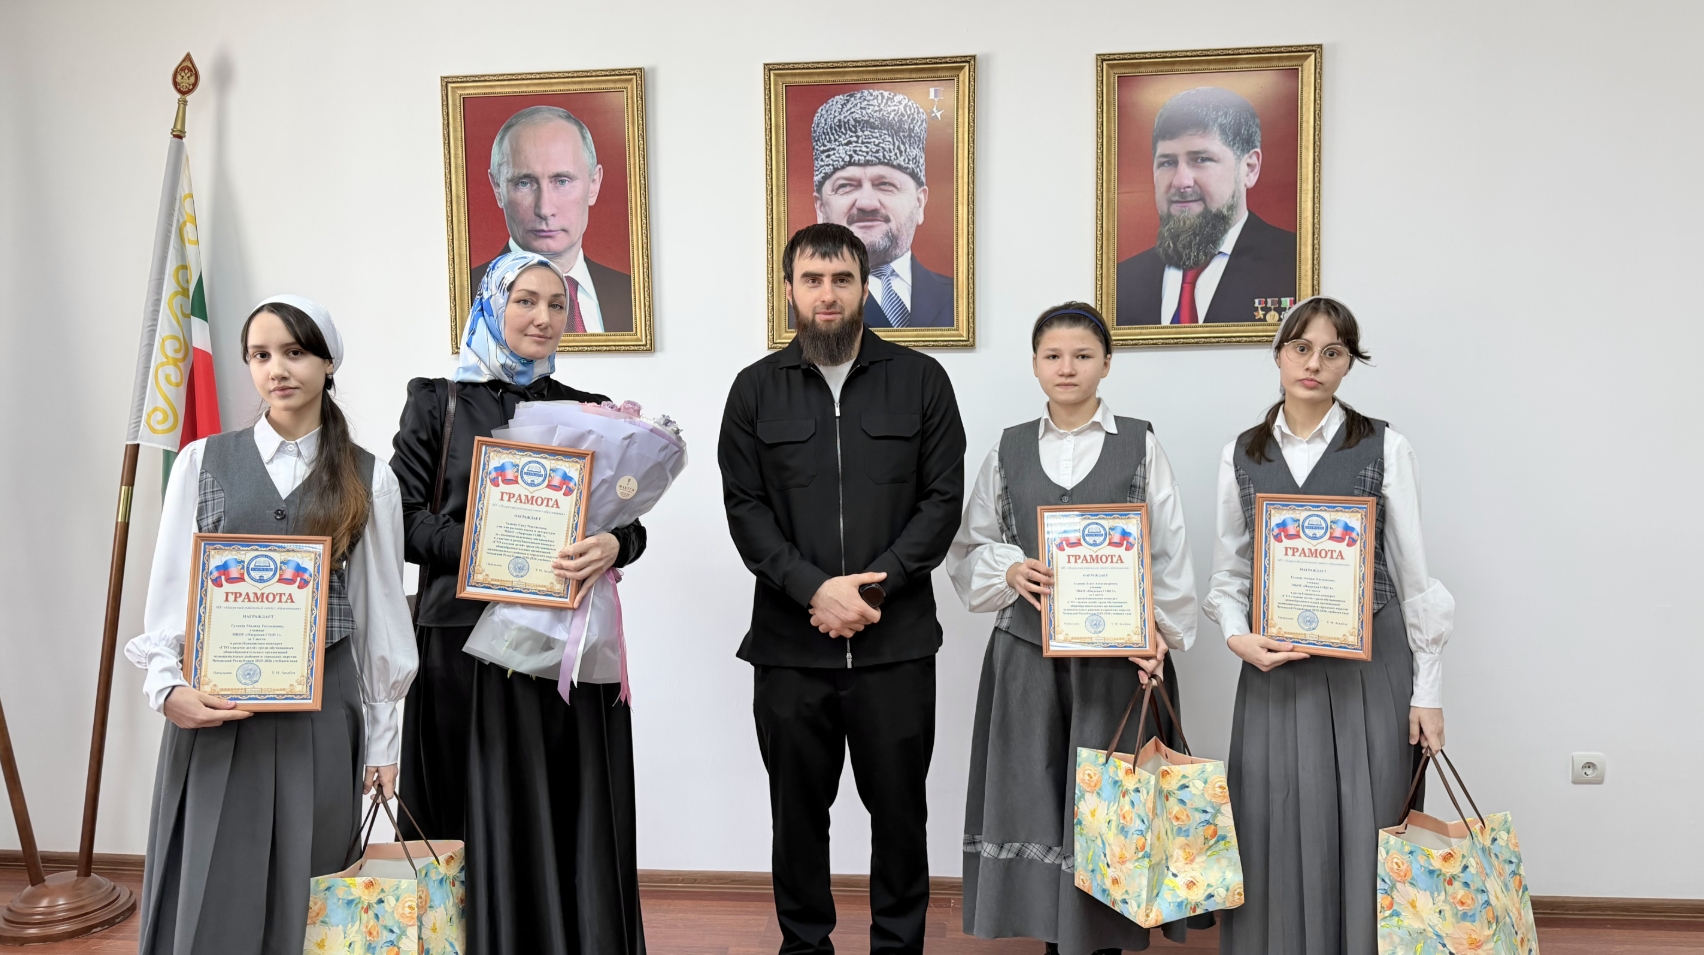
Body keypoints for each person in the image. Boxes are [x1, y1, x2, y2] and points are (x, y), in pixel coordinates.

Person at [125, 295, 417, 955]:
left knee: (312, 888)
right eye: (260, 355)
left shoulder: (370, 478)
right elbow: (172, 586)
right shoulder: (201, 462)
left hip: (324, 714)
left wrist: (382, 742)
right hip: (216, 708)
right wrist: (167, 687)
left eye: (294, 352)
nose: (276, 368)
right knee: (212, 887)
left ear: (327, 362)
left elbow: (380, 614)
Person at [719, 223, 966, 955]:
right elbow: (746, 510)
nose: (827, 294)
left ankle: (899, 946)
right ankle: (805, 947)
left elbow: (941, 502)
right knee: (796, 818)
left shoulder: (922, 380)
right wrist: (813, 591)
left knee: (901, 817)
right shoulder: (754, 389)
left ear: (864, 287)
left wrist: (870, 593)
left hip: (896, 647)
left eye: (842, 279)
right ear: (790, 290)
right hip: (790, 649)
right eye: (812, 280)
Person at [391, 250, 648, 953]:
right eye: (525, 300)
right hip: (462, 648)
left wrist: (615, 544)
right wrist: (494, 549)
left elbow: (627, 523)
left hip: (557, 647)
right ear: (491, 303)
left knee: (560, 810)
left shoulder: (587, 411)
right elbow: (403, 522)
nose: (543, 317)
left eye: (557, 304)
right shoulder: (436, 401)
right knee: (470, 813)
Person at [948, 302, 1206, 955]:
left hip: (1118, 662)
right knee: (1033, 795)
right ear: (1036, 364)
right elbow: (971, 547)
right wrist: (1011, 569)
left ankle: (1105, 938)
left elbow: (1170, 548)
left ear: (1107, 364)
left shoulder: (1140, 443)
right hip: (1026, 658)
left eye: (1083, 355)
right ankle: (1051, 937)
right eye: (1054, 355)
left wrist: (1159, 636)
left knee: (1113, 804)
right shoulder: (1008, 447)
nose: (1068, 367)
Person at [1205, 297, 1452, 955]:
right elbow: (1228, 573)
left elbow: (1416, 579)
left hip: (1371, 668)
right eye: (1301, 348)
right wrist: (1236, 635)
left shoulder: (1386, 445)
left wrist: (1428, 690)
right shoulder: (1240, 454)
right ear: (1279, 354)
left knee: (1372, 818)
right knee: (1274, 815)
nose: (1314, 363)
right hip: (1274, 667)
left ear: (1348, 363)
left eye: (1332, 351)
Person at [1114, 87, 1297, 326]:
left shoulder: (1295, 266)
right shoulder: (1120, 282)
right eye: (1167, 162)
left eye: (1201, 159)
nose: (1181, 181)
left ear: (1249, 168)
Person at [469, 105, 635, 334]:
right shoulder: (462, 297)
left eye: (562, 181)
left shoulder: (633, 294)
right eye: (524, 183)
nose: (545, 209)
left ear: (594, 184)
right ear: (498, 188)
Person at [809, 89, 953, 328]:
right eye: (846, 186)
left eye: (885, 184)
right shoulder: (796, 312)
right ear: (821, 208)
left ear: (919, 203)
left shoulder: (959, 301)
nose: (867, 203)